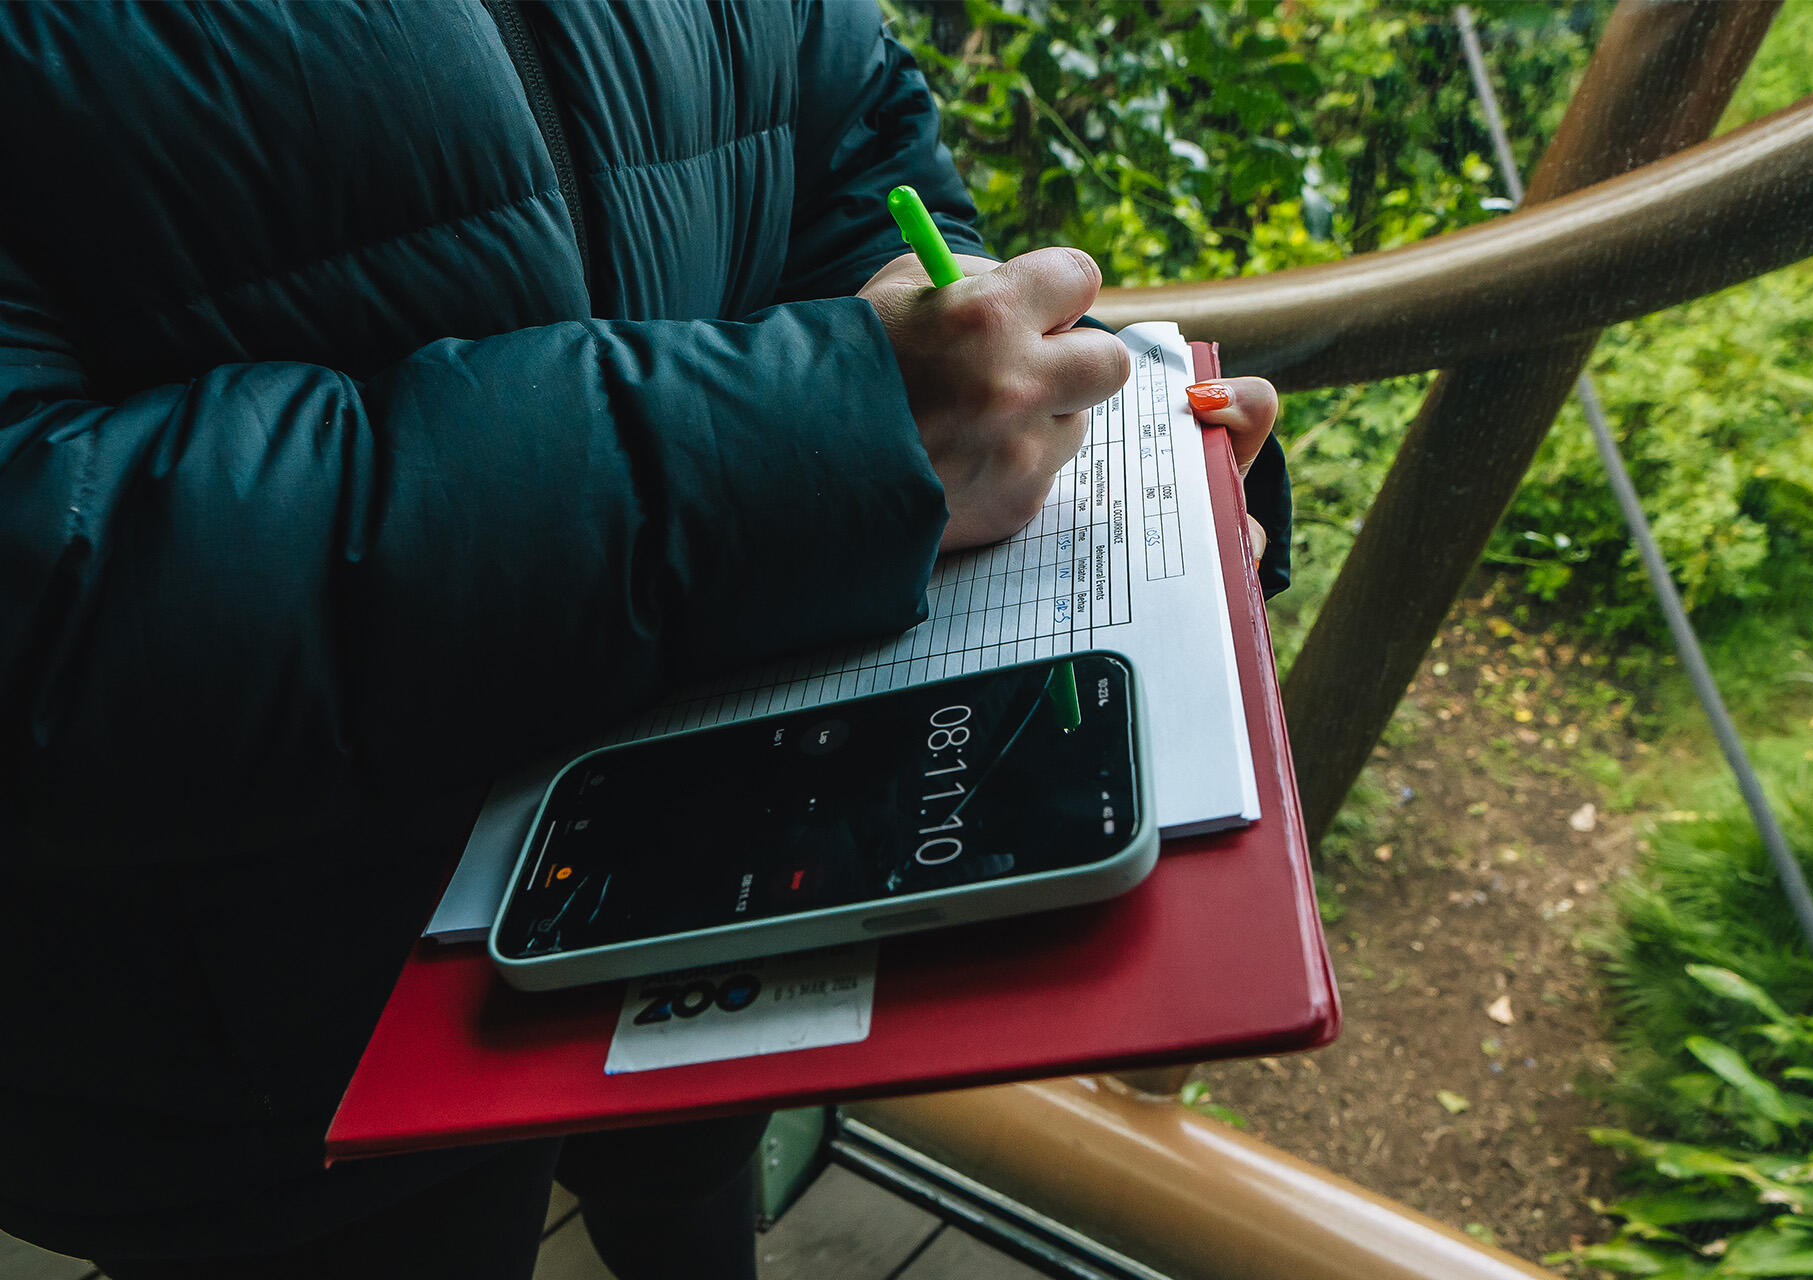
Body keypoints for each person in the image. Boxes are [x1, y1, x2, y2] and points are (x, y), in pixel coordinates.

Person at [0, 2, 1289, 1275]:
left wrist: (1017, 413)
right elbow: (46, 596)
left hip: (733, 841)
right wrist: (809, 440)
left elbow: (847, 141)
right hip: (277, 1039)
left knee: (691, 1186)